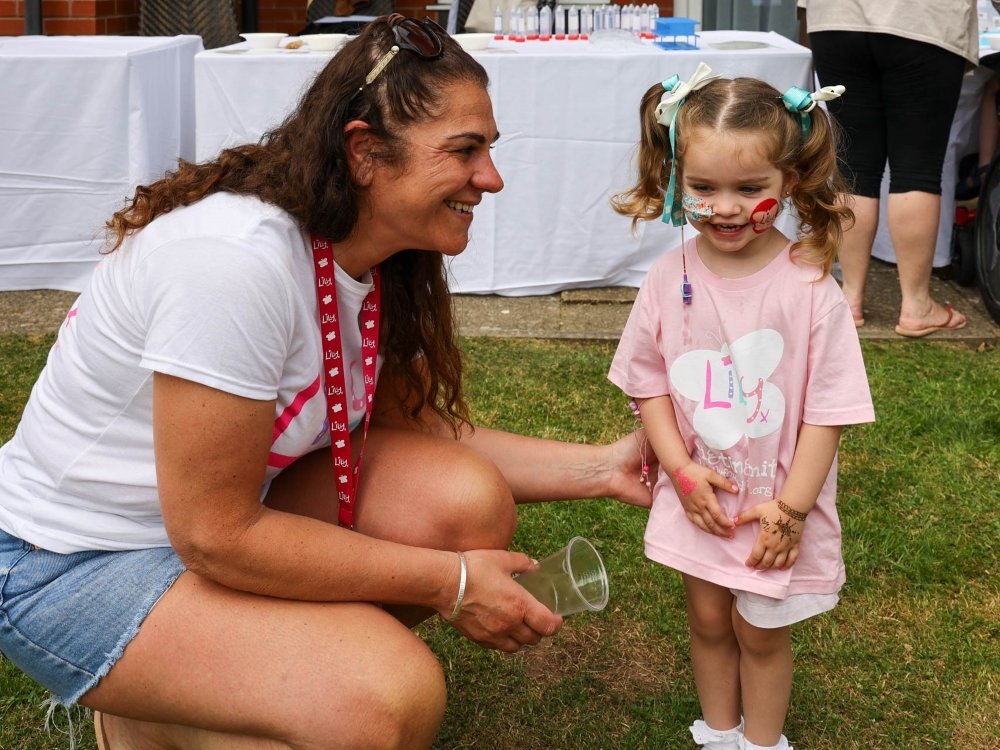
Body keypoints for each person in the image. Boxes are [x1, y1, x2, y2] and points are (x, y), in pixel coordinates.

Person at [0, 15, 652, 750]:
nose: (491, 178)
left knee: (463, 503)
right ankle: (148, 717)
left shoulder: (371, 254)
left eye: (489, 150)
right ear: (366, 152)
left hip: (219, 524)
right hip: (69, 564)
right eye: (465, 151)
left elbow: (417, 432)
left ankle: (198, 688)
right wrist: (452, 583)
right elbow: (215, 535)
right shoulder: (234, 264)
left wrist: (606, 466)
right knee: (387, 701)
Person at [607, 65, 876, 750]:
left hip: (771, 507)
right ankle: (718, 733)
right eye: (703, 188)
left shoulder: (810, 285)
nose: (725, 208)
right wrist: (680, 471)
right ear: (675, 179)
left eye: (749, 188)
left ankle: (761, 743)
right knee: (705, 619)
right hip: (701, 499)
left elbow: (829, 410)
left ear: (787, 181)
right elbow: (649, 384)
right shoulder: (670, 279)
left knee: (760, 631)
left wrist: (790, 510)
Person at [806, 0, 978, 337]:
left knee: (854, 166)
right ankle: (916, 306)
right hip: (924, 19)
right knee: (918, 169)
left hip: (836, 17)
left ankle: (849, 299)